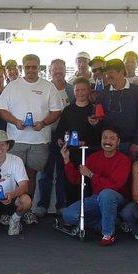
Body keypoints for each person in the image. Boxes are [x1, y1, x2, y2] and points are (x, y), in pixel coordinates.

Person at [0, 53, 63, 225]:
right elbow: (1, 110)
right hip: (16, 139)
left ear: (39, 68)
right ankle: (8, 210)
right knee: (12, 176)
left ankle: (26, 210)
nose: (31, 70)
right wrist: (15, 121)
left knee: (31, 176)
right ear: (22, 68)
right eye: (27, 67)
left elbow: (56, 111)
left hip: (39, 140)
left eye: (34, 67)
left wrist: (44, 122)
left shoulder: (48, 87)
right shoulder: (12, 86)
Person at [60, 127, 130, 246]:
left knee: (106, 194)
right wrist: (66, 159)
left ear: (118, 142)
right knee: (68, 214)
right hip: (96, 198)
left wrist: (91, 175)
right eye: (105, 138)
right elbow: (76, 179)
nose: (108, 141)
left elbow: (113, 186)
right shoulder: (93, 158)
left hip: (116, 198)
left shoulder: (123, 160)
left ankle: (108, 234)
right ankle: (106, 223)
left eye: (112, 139)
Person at [53, 76, 102, 204]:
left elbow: (100, 134)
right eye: (77, 90)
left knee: (88, 184)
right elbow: (61, 130)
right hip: (70, 153)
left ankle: (87, 214)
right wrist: (60, 139)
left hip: (89, 154)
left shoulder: (94, 110)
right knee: (70, 183)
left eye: (83, 90)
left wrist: (87, 139)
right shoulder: (68, 110)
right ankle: (71, 213)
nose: (80, 93)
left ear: (89, 91)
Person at [35, 59, 73, 217]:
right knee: (46, 172)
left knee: (64, 172)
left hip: (67, 138)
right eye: (55, 69)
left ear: (65, 71)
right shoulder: (44, 88)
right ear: (49, 71)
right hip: (46, 136)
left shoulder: (72, 90)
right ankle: (42, 205)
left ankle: (62, 205)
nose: (58, 72)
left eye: (61, 69)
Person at [95, 58, 138, 161]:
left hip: (129, 144)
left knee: (129, 175)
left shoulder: (136, 91)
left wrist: (137, 142)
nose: (107, 76)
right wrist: (94, 121)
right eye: (106, 73)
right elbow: (98, 116)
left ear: (121, 72)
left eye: (111, 72)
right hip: (108, 144)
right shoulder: (104, 92)